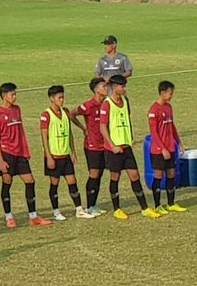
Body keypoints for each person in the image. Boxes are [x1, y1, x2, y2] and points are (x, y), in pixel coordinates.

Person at [0, 83, 53, 229]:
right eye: (12, 94)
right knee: (7, 183)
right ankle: (9, 217)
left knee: (30, 181)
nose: (15, 97)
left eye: (15, 94)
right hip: (6, 154)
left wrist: (25, 151)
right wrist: (0, 160)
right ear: (4, 96)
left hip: (20, 154)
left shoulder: (17, 109)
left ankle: (33, 217)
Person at [99, 75, 161, 220]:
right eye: (123, 86)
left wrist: (130, 137)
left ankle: (144, 208)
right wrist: (112, 145)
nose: (125, 89)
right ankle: (117, 209)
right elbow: (103, 127)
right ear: (115, 87)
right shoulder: (106, 104)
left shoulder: (125, 101)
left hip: (126, 147)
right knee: (115, 177)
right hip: (113, 149)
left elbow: (126, 119)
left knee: (135, 176)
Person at [39, 85, 94, 220]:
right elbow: (44, 137)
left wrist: (73, 151)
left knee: (72, 181)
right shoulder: (46, 115)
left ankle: (79, 209)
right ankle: (56, 211)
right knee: (54, 183)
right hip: (54, 156)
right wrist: (49, 156)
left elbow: (69, 133)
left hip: (65, 155)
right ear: (52, 99)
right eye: (59, 98)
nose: (62, 100)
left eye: (63, 97)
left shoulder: (66, 112)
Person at [70, 77, 109, 216]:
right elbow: (71, 114)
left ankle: (93, 204)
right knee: (94, 174)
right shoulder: (88, 105)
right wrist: (83, 128)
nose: (106, 88)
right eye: (104, 86)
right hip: (92, 146)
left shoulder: (106, 104)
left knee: (100, 175)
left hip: (104, 145)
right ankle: (88, 206)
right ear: (97, 89)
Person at [147, 80, 187, 214]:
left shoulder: (169, 107)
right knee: (159, 175)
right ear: (163, 93)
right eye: (170, 93)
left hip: (170, 148)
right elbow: (154, 132)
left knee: (171, 174)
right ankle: (157, 205)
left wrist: (179, 143)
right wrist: (162, 148)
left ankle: (171, 203)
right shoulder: (154, 110)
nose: (171, 96)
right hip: (159, 150)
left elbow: (172, 126)